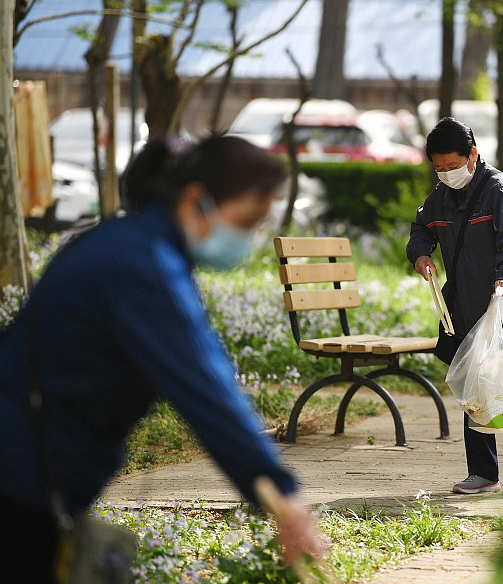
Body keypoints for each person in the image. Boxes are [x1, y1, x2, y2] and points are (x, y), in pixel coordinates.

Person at [0, 135, 323, 582]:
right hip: (18, 477)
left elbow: (204, 361)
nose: (247, 239)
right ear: (196, 200)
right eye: (247, 221)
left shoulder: (130, 244)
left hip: (33, 471)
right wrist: (279, 491)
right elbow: (203, 383)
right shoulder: (141, 265)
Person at [407, 117, 503, 497]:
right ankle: (484, 472)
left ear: (473, 155)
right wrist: (420, 255)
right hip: (468, 309)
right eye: (440, 168)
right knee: (475, 391)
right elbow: (421, 230)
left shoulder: (500, 190)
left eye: (454, 166)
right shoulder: (440, 197)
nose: (448, 174)